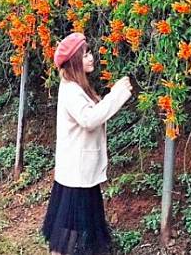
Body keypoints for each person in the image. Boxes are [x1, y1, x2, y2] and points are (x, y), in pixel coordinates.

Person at [42, 32, 133, 255]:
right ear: (74, 61)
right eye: (85, 55)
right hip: (77, 173)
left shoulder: (76, 86)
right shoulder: (72, 90)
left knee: (74, 230)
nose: (91, 58)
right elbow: (89, 119)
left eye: (89, 53)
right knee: (68, 233)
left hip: (80, 172)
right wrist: (117, 95)